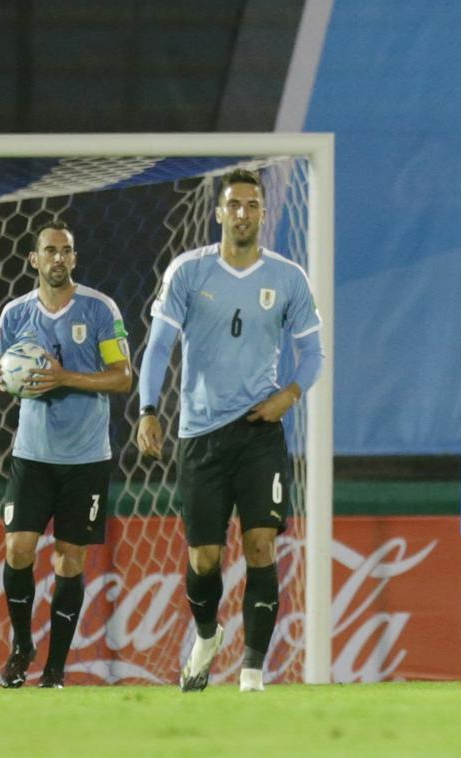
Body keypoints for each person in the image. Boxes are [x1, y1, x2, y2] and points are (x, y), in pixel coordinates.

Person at [136, 169, 324, 693]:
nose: (242, 213)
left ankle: (252, 672)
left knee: (262, 546)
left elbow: (314, 353)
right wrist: (148, 409)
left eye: (252, 205)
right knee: (204, 559)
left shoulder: (288, 278)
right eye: (234, 205)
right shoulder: (188, 272)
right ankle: (205, 634)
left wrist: (288, 395)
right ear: (218, 212)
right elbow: (158, 347)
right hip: (200, 434)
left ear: (264, 213)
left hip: (259, 433)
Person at [0, 220, 133, 689]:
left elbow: (122, 376)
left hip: (86, 458)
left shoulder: (98, 310)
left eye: (65, 251)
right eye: (49, 250)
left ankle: (54, 670)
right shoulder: (14, 314)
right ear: (34, 259)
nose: (57, 258)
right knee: (18, 549)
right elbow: (4, 368)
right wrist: (1, 378)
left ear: (74, 258)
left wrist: (65, 377)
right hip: (32, 455)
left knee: (69, 561)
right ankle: (21, 645)